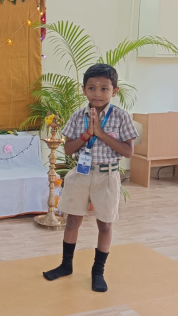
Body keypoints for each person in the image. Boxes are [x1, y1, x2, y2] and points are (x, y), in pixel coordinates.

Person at [43, 64, 138, 292]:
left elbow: (128, 151)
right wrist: (87, 134)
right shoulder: (78, 116)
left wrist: (101, 134)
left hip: (107, 175)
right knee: (72, 220)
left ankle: (98, 272)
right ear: (84, 89)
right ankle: (66, 265)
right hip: (81, 174)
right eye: (92, 88)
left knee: (105, 224)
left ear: (114, 91)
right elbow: (68, 150)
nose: (98, 93)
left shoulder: (121, 117)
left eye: (104, 88)